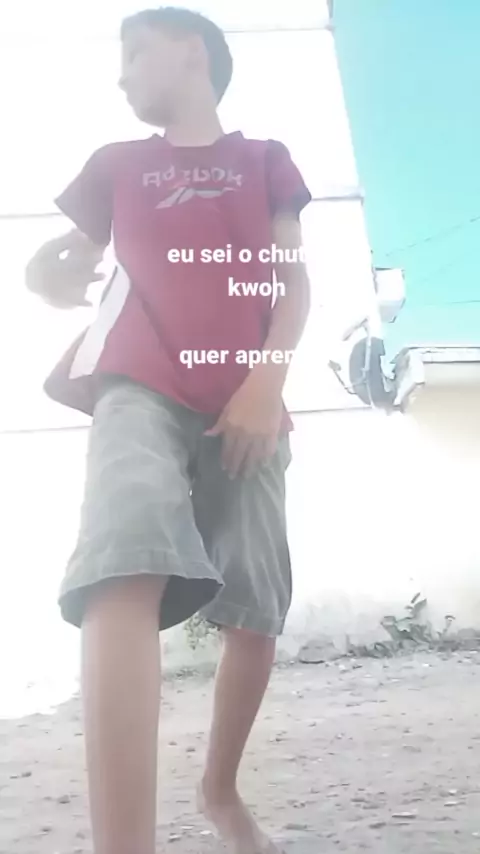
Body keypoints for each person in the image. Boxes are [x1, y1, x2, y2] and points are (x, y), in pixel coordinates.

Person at [26, 7, 311, 854]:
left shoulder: (265, 160)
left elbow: (291, 284)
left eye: (135, 54)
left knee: (255, 609)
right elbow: (65, 261)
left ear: (192, 54)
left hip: (246, 396)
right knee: (122, 559)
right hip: (136, 379)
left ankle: (220, 790)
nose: (120, 76)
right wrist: (43, 275)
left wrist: (266, 383)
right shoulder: (118, 165)